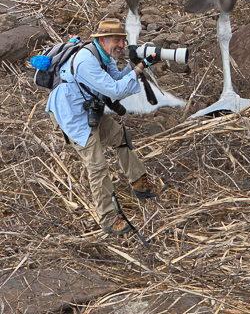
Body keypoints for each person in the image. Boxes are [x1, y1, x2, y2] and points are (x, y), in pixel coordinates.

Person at [46, 18, 167, 236]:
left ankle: (140, 185)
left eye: (123, 40)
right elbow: (115, 91)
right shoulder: (86, 61)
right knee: (97, 166)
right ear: (102, 39)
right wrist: (141, 67)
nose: (121, 45)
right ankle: (109, 219)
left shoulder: (105, 56)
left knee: (119, 136)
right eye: (116, 40)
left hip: (87, 107)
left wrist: (135, 66)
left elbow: (117, 80)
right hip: (71, 115)